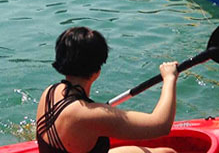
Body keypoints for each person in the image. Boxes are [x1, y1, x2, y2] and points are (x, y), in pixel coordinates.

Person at [36, 27, 178, 153]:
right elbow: (161, 125)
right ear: (97, 71)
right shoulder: (91, 115)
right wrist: (169, 78)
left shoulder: (49, 92)